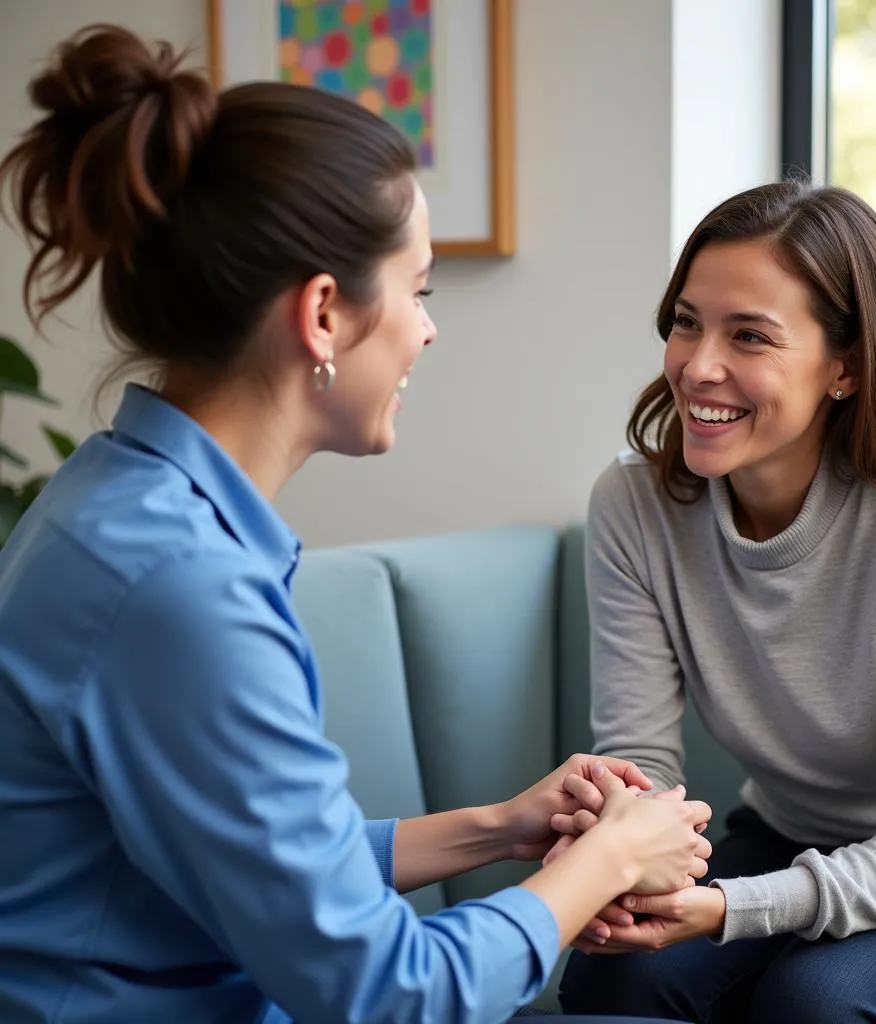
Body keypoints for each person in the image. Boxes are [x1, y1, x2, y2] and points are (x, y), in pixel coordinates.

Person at [0, 25, 714, 1024]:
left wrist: (496, 825)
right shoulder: (175, 584)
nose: (426, 327)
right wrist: (606, 859)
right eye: (416, 289)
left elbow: (280, 868)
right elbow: (387, 992)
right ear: (325, 315)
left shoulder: (122, 509)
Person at [554, 181, 876, 1023]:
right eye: (687, 321)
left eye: (751, 337)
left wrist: (731, 909)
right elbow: (640, 761)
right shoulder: (635, 506)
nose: (698, 365)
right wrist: (622, 857)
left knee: (817, 1004)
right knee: (613, 978)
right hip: (787, 833)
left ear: (844, 366)